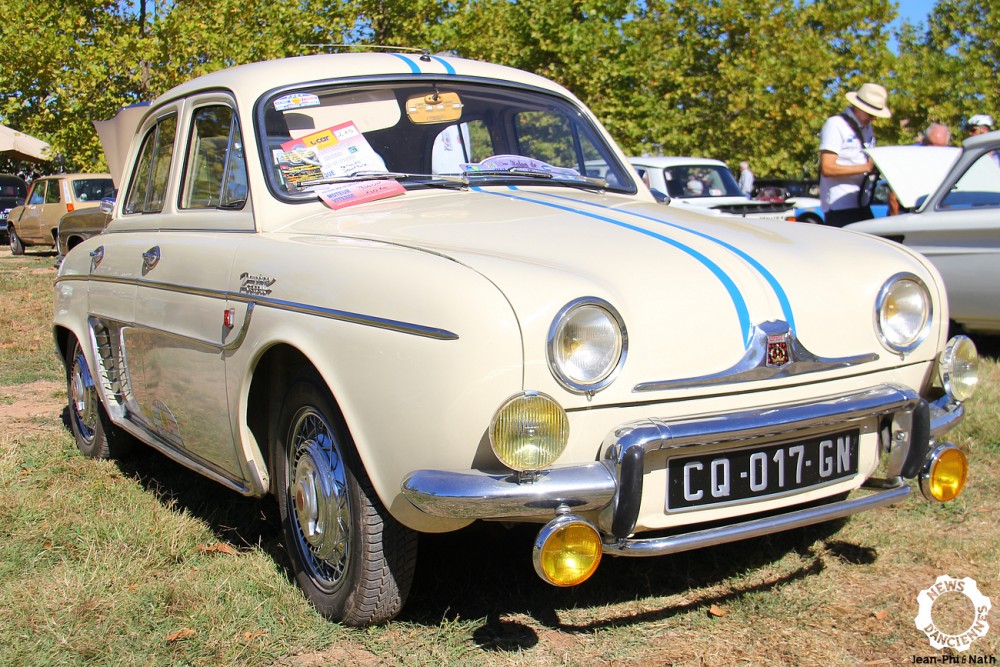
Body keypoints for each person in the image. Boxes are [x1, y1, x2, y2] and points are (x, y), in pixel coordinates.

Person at [818, 82, 891, 227]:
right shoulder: (836, 125)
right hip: (840, 206)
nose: (873, 119)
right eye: (870, 114)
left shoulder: (868, 128)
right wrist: (866, 168)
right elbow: (827, 168)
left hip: (862, 202)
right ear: (858, 106)